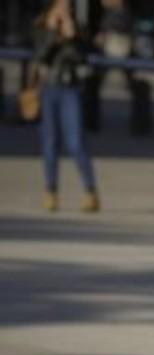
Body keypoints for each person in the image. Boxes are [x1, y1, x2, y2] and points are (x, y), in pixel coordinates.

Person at [32, 0, 99, 214]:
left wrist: (72, 37)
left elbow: (83, 58)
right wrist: (52, 33)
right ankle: (50, 191)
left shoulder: (78, 29)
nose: (63, 10)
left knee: (76, 142)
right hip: (49, 88)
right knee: (50, 143)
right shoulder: (42, 26)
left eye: (67, 6)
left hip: (70, 89)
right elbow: (40, 56)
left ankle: (90, 191)